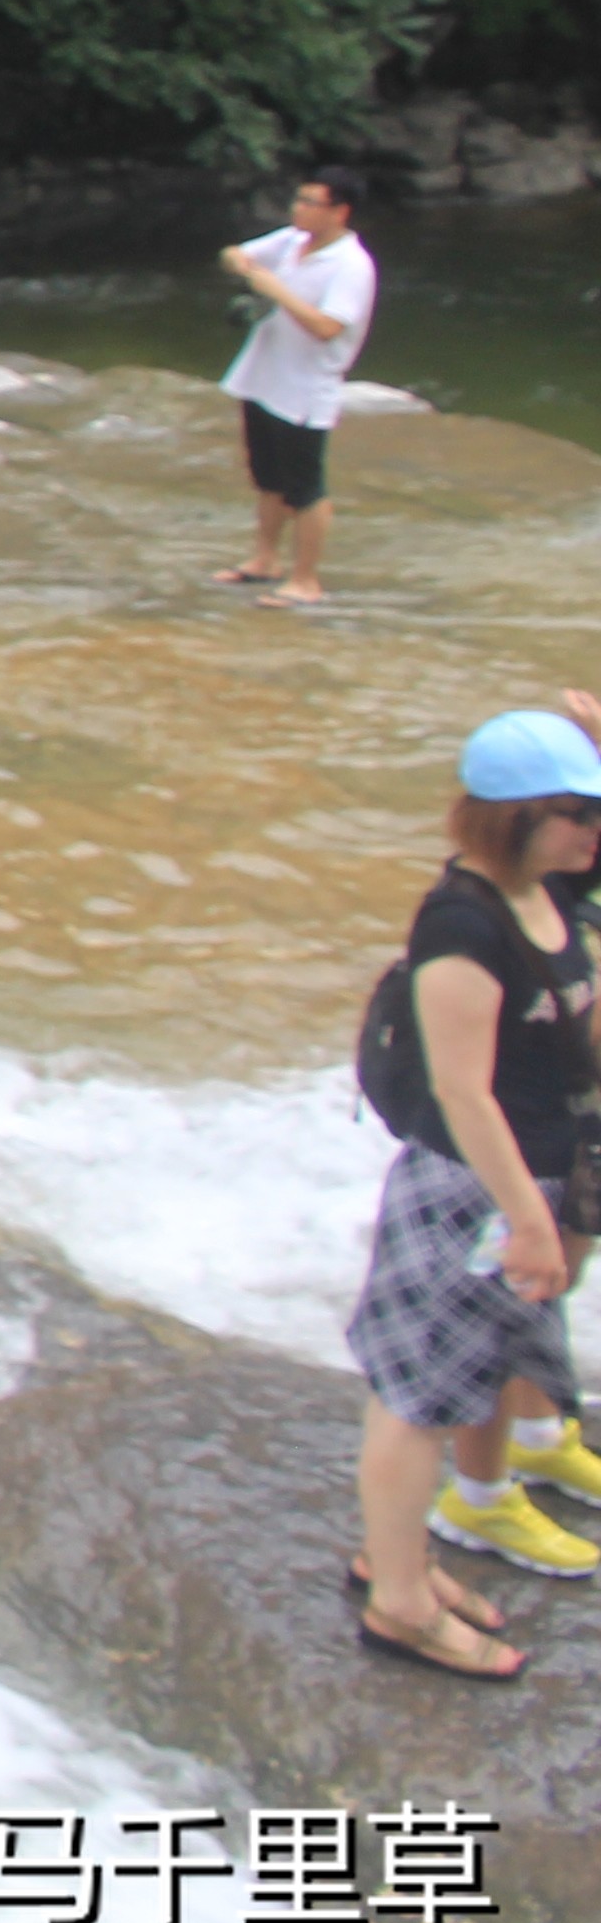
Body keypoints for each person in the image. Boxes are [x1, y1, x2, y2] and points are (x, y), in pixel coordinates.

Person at [347, 695, 601, 1679]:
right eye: (579, 814)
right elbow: (462, 1093)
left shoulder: (552, 882)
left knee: (470, 1374)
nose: (595, 832)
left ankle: (399, 1552)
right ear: (516, 817)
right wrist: (530, 1222)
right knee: (412, 1398)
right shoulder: (463, 923)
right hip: (472, 1190)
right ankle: (400, 1601)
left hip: (531, 1173)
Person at [217, 166, 377, 608]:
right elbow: (234, 253)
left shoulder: (351, 265)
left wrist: (277, 289)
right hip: (264, 374)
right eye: (299, 201)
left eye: (311, 203)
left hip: (306, 387)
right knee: (267, 476)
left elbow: (327, 327)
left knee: (306, 487)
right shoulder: (291, 241)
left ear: (339, 211)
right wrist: (242, 264)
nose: (299, 210)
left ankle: (306, 580)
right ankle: (264, 559)